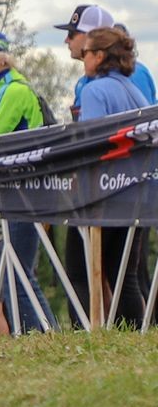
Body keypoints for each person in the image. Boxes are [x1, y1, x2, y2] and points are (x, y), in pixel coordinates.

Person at [0, 29, 54, 333]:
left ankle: (45, 336)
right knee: (16, 272)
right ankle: (41, 337)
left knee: (18, 273)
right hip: (18, 190)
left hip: (25, 190)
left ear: (2, 57)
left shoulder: (13, 90)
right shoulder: (1, 89)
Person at [67, 27, 149, 327]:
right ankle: (134, 337)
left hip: (102, 194)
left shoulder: (94, 91)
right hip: (136, 193)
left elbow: (92, 145)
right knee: (123, 274)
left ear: (99, 56)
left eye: (86, 52)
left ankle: (83, 334)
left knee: (78, 271)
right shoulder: (134, 90)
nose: (82, 58)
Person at [55, 5, 156, 120]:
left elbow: (90, 136)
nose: (66, 40)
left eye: (72, 34)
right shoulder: (118, 81)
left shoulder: (97, 89)